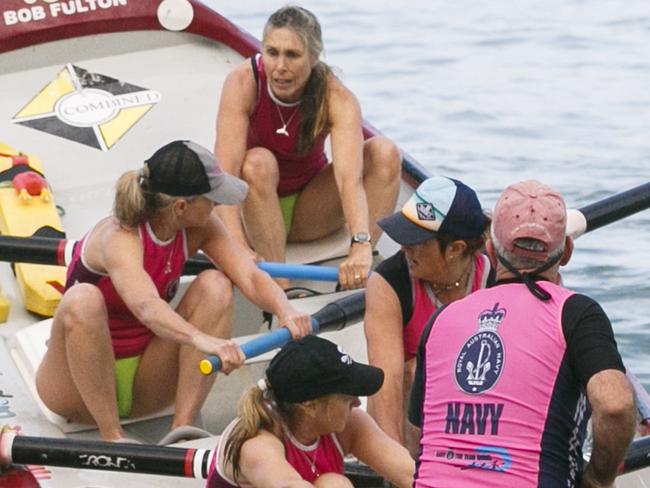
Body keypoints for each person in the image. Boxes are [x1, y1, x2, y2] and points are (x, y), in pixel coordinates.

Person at [35, 140, 311, 443]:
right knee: (83, 300)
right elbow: (146, 306)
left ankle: (182, 429)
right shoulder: (119, 237)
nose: (219, 205)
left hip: (147, 381)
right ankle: (112, 437)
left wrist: (286, 310)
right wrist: (201, 339)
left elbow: (249, 275)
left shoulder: (202, 225)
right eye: (213, 199)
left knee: (216, 285)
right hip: (75, 390)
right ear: (181, 207)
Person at [408, 180, 636, 487]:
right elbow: (615, 406)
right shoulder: (576, 314)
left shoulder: (441, 320)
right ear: (566, 251)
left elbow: (417, 437)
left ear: (490, 250)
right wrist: (598, 478)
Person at [214, 5, 401, 291]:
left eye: (292, 55)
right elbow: (224, 176)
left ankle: (358, 273)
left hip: (307, 213)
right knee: (257, 162)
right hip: (251, 208)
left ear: (314, 57)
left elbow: (349, 180)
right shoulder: (243, 82)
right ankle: (282, 291)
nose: (280, 67)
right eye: (272, 52)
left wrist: (360, 243)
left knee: (385, 153)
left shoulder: (336, 96)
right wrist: (237, 246)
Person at [364, 175, 493, 445]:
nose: (404, 248)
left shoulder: (496, 277)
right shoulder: (389, 282)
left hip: (476, 407)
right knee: (415, 370)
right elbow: (387, 381)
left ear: (456, 249)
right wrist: (395, 468)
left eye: (417, 242)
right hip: (410, 419)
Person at [206, 335, 415, 487]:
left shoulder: (350, 423)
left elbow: (412, 475)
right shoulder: (258, 444)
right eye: (346, 396)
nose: (357, 403)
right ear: (310, 404)